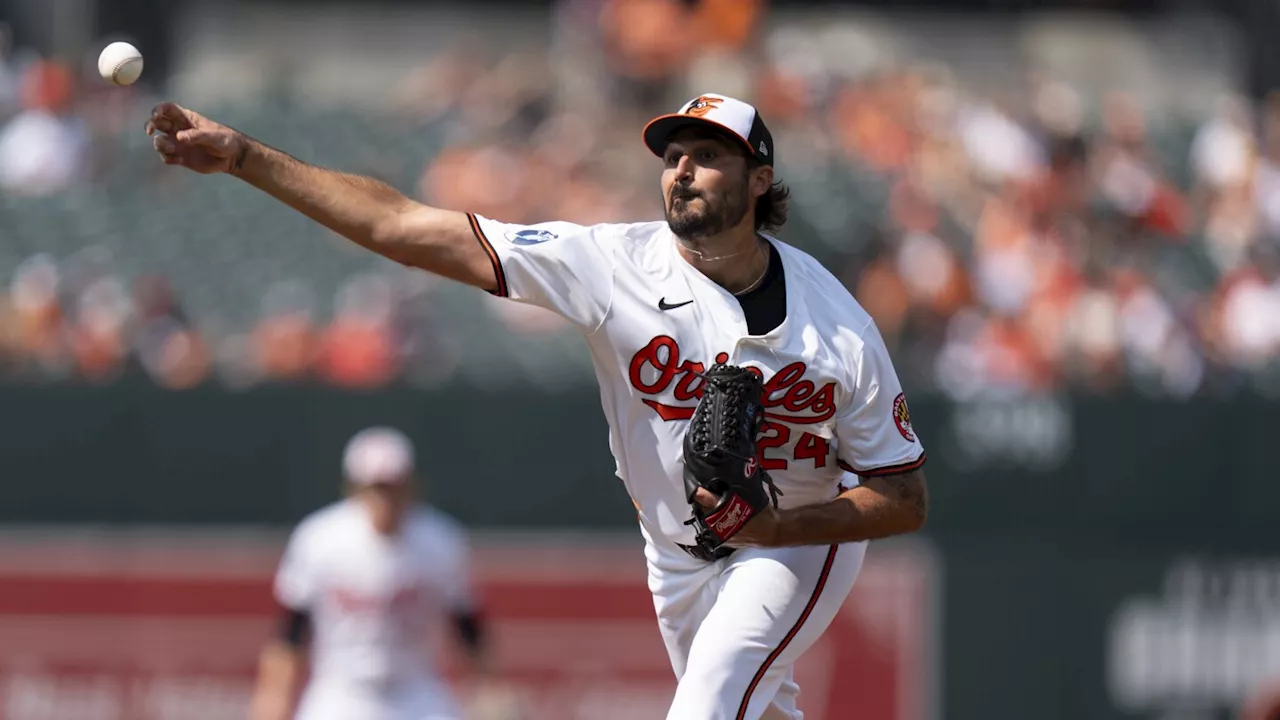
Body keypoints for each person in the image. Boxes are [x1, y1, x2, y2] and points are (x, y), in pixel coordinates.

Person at [149, 91, 929, 720]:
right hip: (677, 551)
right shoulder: (609, 264)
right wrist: (246, 158)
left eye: (710, 156)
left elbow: (903, 496)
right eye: (674, 156)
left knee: (710, 697)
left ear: (761, 179)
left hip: (796, 541)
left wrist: (781, 528)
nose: (683, 170)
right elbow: (400, 226)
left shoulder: (839, 330)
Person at [249, 426, 489, 720]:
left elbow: (468, 627)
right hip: (341, 691)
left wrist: (491, 688)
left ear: (411, 486)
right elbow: (291, 634)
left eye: (393, 487)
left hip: (416, 689)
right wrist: (273, 698)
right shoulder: (320, 539)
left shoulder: (440, 542)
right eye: (376, 488)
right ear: (354, 488)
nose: (385, 499)